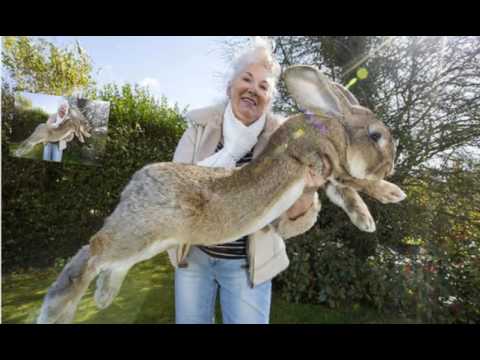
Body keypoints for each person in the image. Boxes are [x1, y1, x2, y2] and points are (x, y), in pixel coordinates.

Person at [167, 37, 329, 324]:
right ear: (230, 86)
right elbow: (173, 190)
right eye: (247, 79)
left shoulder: (284, 143)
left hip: (247, 266)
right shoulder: (200, 128)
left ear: (268, 100)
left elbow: (285, 222)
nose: (254, 90)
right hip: (194, 257)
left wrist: (307, 190)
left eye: (263, 87)